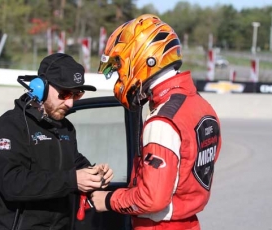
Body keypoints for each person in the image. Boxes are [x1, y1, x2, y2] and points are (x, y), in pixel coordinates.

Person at [91, 14, 222, 230]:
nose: (119, 76)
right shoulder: (201, 107)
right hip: (189, 223)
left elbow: (152, 199)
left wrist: (107, 200)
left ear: (142, 57)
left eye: (119, 66)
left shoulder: (163, 121)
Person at [0, 53, 114, 230]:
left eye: (77, 94)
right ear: (39, 87)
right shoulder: (9, 126)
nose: (70, 103)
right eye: (65, 93)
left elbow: (73, 161)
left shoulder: (65, 128)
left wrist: (94, 174)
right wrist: (72, 180)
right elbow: (11, 183)